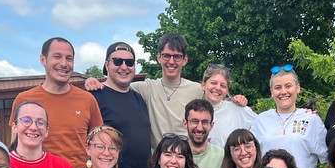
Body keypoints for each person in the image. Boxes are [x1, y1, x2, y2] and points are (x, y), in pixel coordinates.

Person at [84, 34, 248, 146]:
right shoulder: (146, 88)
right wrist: (93, 81)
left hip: (187, 162)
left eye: (177, 56)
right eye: (166, 55)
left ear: (185, 60)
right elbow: (118, 85)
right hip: (155, 166)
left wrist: (235, 99)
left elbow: (217, 101)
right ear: (159, 58)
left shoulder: (197, 90)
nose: (171, 61)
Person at [10, 37, 104, 168]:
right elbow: (14, 146)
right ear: (43, 59)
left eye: (69, 58)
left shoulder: (87, 100)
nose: (64, 63)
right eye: (57, 57)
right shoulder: (24, 99)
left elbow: (99, 144)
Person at [89, 41, 151, 168]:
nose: (124, 67)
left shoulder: (138, 97)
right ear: (106, 65)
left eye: (129, 62)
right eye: (117, 61)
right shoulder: (94, 96)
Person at [201, 64, 257, 148]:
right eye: (213, 83)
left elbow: (263, 127)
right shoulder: (193, 111)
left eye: (223, 86)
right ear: (203, 85)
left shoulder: (238, 109)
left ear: (227, 90)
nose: (218, 88)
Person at [184, 99, 223, 168]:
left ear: (211, 125)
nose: (199, 128)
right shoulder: (175, 156)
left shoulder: (222, 156)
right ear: (185, 123)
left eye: (205, 122)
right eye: (194, 121)